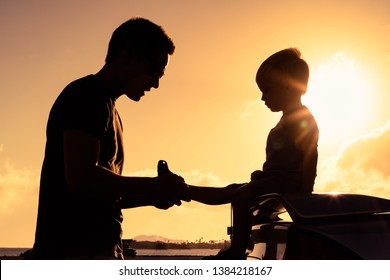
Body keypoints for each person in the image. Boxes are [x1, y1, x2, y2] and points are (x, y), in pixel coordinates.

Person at [31, 18, 189, 260]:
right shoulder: (87, 96)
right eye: (156, 71)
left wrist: (150, 197)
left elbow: (100, 195)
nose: (156, 83)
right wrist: (154, 185)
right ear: (129, 54)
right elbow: (81, 179)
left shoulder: (109, 109)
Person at [187, 48, 319, 259]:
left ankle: (237, 250)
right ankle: (184, 190)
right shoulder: (285, 121)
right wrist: (264, 176)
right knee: (234, 190)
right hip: (278, 180)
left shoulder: (302, 119)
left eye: (267, 90)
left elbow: (309, 158)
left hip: (290, 184)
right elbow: (280, 162)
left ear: (287, 86)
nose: (262, 97)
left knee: (242, 195)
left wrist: (305, 198)